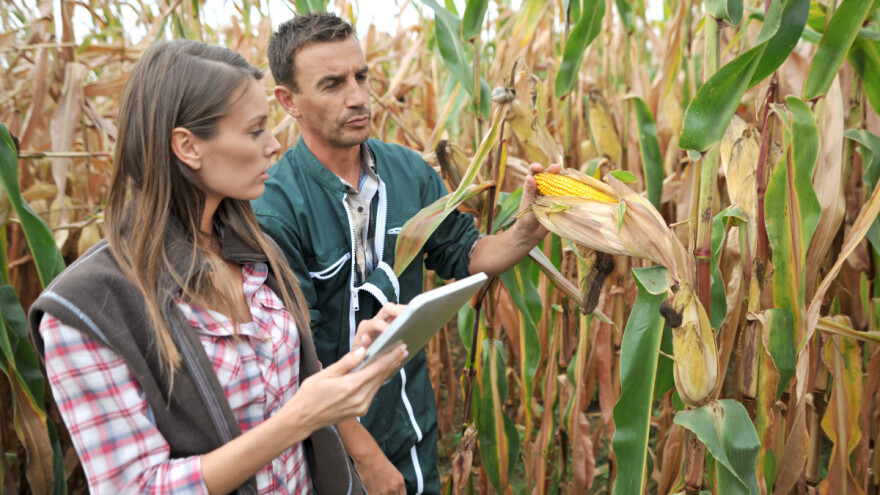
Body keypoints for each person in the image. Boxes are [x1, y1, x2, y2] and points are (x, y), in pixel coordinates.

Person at [27, 39, 409, 494]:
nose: (273, 145)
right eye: (255, 131)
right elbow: (138, 487)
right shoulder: (88, 310)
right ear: (188, 146)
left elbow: (279, 386)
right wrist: (299, 418)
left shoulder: (255, 252)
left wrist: (356, 361)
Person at [252, 12, 558, 494]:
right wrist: (365, 457)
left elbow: (465, 252)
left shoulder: (409, 172)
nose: (357, 96)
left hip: (408, 417)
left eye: (361, 76)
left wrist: (525, 232)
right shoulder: (275, 206)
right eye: (332, 84)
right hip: (324, 442)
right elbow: (294, 356)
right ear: (288, 101)